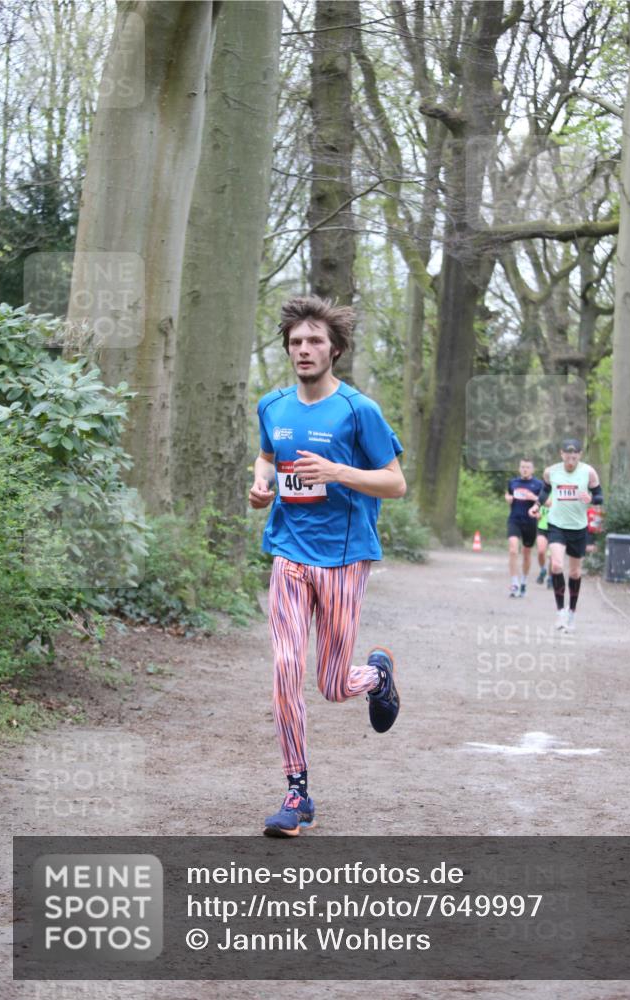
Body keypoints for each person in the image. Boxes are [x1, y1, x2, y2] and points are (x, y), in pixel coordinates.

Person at [249, 295, 406, 837]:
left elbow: (395, 481)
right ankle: (297, 793)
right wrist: (261, 484)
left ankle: (377, 675)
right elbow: (268, 454)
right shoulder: (272, 406)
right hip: (289, 554)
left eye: (315, 341)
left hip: (343, 560)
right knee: (285, 669)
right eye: (295, 342)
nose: (304, 350)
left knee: (333, 684)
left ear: (334, 349)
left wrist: (339, 471)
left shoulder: (359, 410)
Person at [529, 439, 603, 632]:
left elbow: (600, 496)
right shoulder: (551, 471)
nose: (571, 459)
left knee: (575, 572)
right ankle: (560, 611)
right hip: (556, 526)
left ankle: (572, 612)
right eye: (568, 455)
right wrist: (536, 505)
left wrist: (592, 498)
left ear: (579, 455)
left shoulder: (588, 472)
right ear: (561, 454)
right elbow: (545, 491)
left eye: (575, 455)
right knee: (556, 565)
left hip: (578, 528)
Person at [504, 459, 543, 597]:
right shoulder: (513, 482)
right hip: (514, 519)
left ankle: (524, 582)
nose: (525, 469)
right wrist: (507, 498)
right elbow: (508, 494)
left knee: (526, 553)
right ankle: (514, 583)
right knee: (513, 549)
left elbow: (544, 502)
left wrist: (534, 498)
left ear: (532, 469)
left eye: (527, 467)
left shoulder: (538, 484)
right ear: (519, 468)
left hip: (530, 522)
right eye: (522, 467)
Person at [536, 502, 553, 588]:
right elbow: (535, 509)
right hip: (542, 527)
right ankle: (543, 569)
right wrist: (537, 514)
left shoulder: (559, 492)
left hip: (555, 529)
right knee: (541, 552)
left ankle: (550, 578)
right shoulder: (542, 493)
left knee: (552, 556)